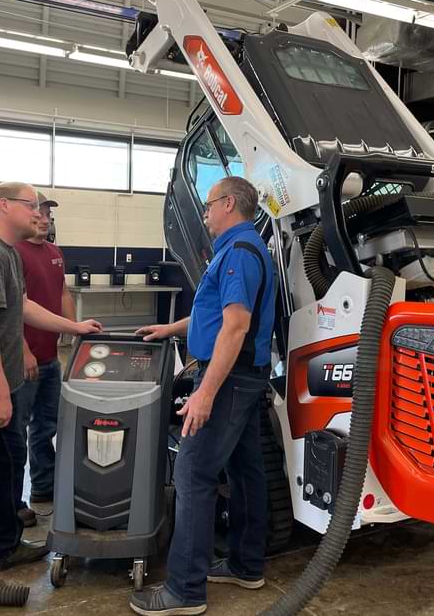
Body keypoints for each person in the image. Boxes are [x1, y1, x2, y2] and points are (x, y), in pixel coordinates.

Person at [0, 182, 102, 583]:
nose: (40, 214)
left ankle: (6, 546)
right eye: (32, 206)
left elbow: (24, 306)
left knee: (7, 466)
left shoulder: (6, 252)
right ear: (4, 206)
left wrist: (73, 326)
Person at [129, 176, 275, 616]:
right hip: (247, 376)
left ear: (229, 203)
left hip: (228, 379)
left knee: (193, 472)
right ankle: (246, 566)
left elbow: (235, 326)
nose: (205, 213)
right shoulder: (243, 249)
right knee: (247, 469)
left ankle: (185, 591)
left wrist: (205, 393)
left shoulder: (239, 253)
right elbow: (212, 313)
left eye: (210, 204)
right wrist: (172, 330)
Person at [14, 191, 74, 527]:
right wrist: (23, 350)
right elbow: (13, 309)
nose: (44, 219)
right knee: (16, 431)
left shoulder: (54, 252)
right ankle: (13, 500)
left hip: (51, 358)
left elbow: (63, 292)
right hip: (25, 360)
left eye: (48, 214)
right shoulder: (14, 253)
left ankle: (43, 486)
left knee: (47, 427)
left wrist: (75, 332)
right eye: (38, 213)